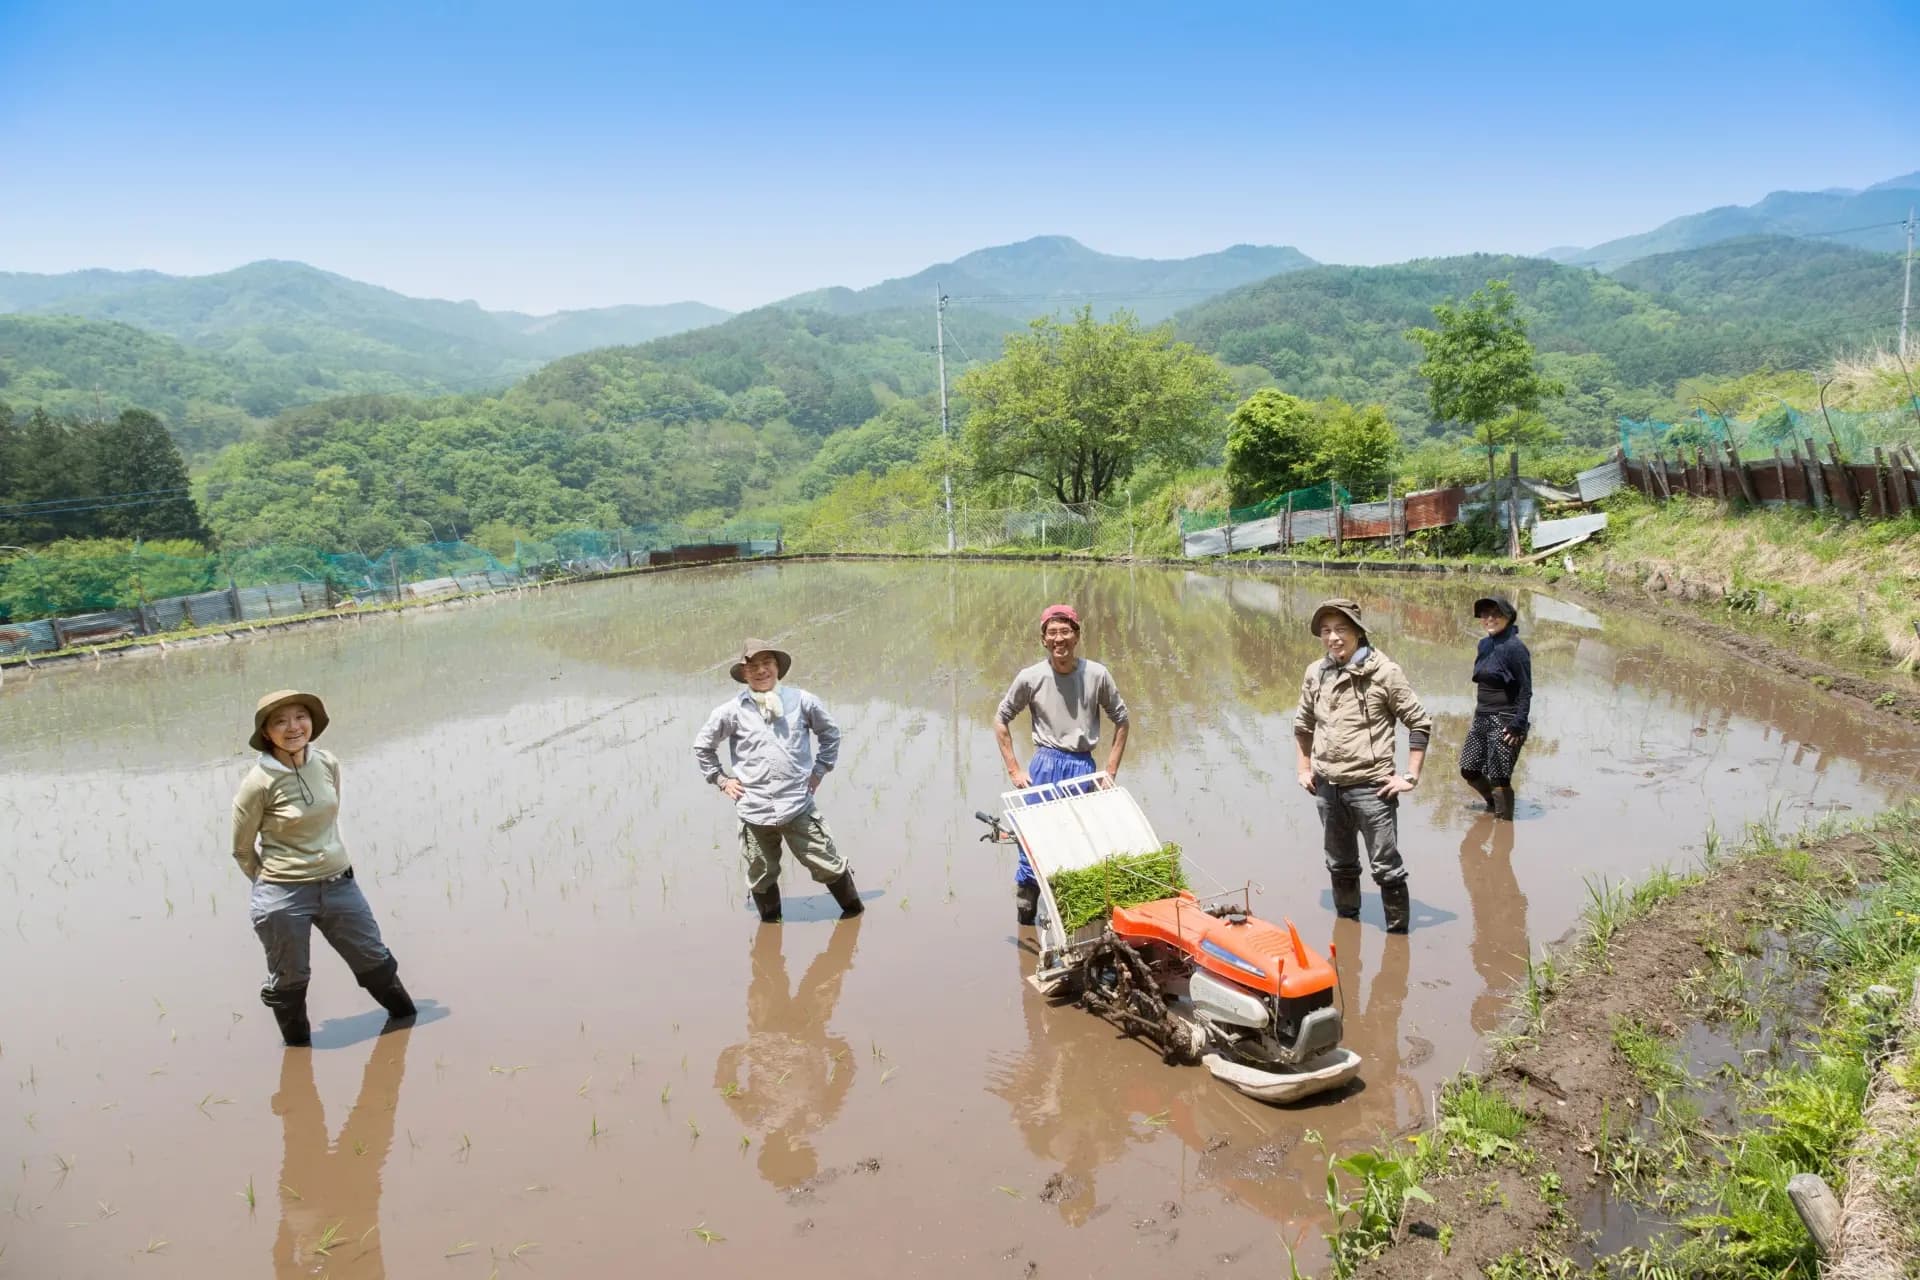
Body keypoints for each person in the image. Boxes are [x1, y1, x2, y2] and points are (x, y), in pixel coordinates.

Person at [231, 690, 416, 1047]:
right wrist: (276, 885)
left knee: (375, 961)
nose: (293, 726)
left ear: (312, 722)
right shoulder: (258, 783)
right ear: (267, 733)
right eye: (280, 721)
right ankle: (298, 1053)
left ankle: (405, 1033)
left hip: (339, 885)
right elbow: (241, 850)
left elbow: (329, 817)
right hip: (284, 895)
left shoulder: (327, 763)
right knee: (290, 981)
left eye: (300, 716)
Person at [694, 638, 861, 924]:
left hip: (797, 805)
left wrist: (820, 770)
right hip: (754, 810)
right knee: (760, 873)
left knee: (828, 864)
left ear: (777, 668)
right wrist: (721, 780)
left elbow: (830, 734)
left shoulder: (802, 701)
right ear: (744, 673)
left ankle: (856, 916)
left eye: (767, 664)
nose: (761, 671)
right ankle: (771, 928)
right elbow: (703, 746)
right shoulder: (731, 711)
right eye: (754, 666)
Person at [1292, 598, 1433, 934]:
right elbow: (1303, 725)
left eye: (1341, 629)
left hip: (1373, 787)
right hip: (1327, 787)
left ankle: (1398, 937)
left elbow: (1419, 722)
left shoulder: (1384, 672)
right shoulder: (1317, 672)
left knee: (1386, 868)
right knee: (1339, 863)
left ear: (1357, 632)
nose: (1333, 637)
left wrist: (1410, 775)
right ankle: (1347, 930)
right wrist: (1304, 768)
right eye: (1326, 631)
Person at [994, 604, 1131, 925]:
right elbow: (1001, 719)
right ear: (1043, 639)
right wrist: (1015, 769)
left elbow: (1122, 720)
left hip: (1083, 767)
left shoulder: (1097, 674)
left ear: (1077, 635)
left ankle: (1072, 920)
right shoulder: (1031, 677)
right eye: (1052, 633)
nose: (1060, 639)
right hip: (1044, 765)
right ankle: (1026, 917)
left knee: (1081, 846)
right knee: (1032, 843)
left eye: (1065, 631)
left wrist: (1109, 772)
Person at [1459, 595, 1531, 821]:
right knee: (1468, 768)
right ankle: (1492, 802)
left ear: (1508, 617)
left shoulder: (1515, 648)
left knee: (1500, 775)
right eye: (1485, 614)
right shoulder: (1485, 644)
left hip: (1506, 719)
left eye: (1496, 614)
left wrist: (1518, 724)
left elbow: (1525, 690)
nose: (1490, 618)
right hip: (1482, 716)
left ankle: (1503, 829)